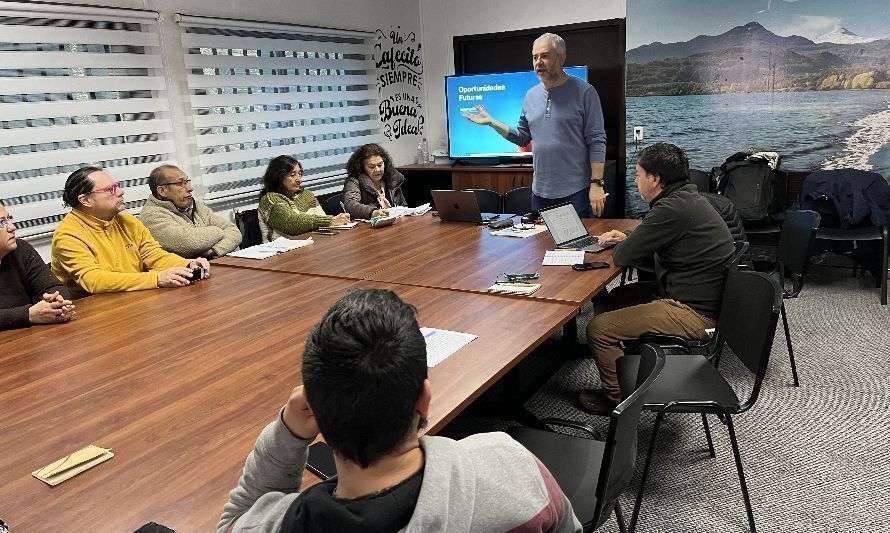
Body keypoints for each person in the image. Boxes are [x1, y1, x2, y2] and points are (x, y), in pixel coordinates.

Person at [218, 289, 581, 533]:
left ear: (315, 412)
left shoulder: (286, 523)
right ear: (424, 399)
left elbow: (235, 520)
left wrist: (288, 432)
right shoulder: (510, 465)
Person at [578, 143, 735, 414]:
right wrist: (629, 237)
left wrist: (628, 242)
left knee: (599, 328)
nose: (636, 180)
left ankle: (617, 399)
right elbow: (651, 240)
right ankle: (629, 364)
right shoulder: (686, 198)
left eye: (638, 175)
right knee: (616, 298)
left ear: (655, 179)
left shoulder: (671, 208)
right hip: (699, 295)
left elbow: (623, 256)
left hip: (695, 313)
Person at [463, 32, 607, 218]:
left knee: (575, 246)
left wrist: (596, 184)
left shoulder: (585, 92)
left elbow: (597, 140)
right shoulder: (531, 95)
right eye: (535, 57)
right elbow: (522, 137)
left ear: (561, 58)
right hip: (540, 193)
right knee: (540, 246)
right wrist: (492, 122)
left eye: (545, 56)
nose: (538, 62)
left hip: (575, 192)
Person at [51, 166, 210, 299]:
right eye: (110, 189)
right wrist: (156, 278)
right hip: (93, 311)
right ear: (85, 200)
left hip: (133, 298)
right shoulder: (67, 235)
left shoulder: (129, 223)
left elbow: (154, 256)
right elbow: (93, 280)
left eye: (117, 186)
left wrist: (187, 264)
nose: (120, 191)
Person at [138, 165, 242, 259]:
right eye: (180, 183)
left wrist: (213, 251)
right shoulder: (151, 216)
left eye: (187, 181)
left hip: (215, 266)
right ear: (162, 191)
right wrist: (219, 231)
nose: (190, 188)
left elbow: (234, 232)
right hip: (183, 276)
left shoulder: (196, 206)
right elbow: (189, 242)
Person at [0, 202, 75, 330]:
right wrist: (28, 314)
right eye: (1, 223)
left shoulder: (20, 249)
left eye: (9, 219)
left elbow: (53, 286)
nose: (12, 227)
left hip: (32, 338)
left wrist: (55, 303)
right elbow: (31, 314)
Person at [258, 155, 351, 241]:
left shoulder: (306, 194)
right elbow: (292, 223)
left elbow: (321, 220)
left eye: (300, 174)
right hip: (280, 252)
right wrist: (330, 220)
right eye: (292, 175)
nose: (299, 179)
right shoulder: (270, 199)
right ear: (278, 177)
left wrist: (337, 221)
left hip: (310, 244)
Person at [342, 143, 408, 219]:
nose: (377, 170)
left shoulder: (392, 178)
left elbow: (403, 206)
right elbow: (351, 205)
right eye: (371, 167)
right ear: (362, 167)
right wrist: (372, 212)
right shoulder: (354, 181)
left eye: (380, 165)